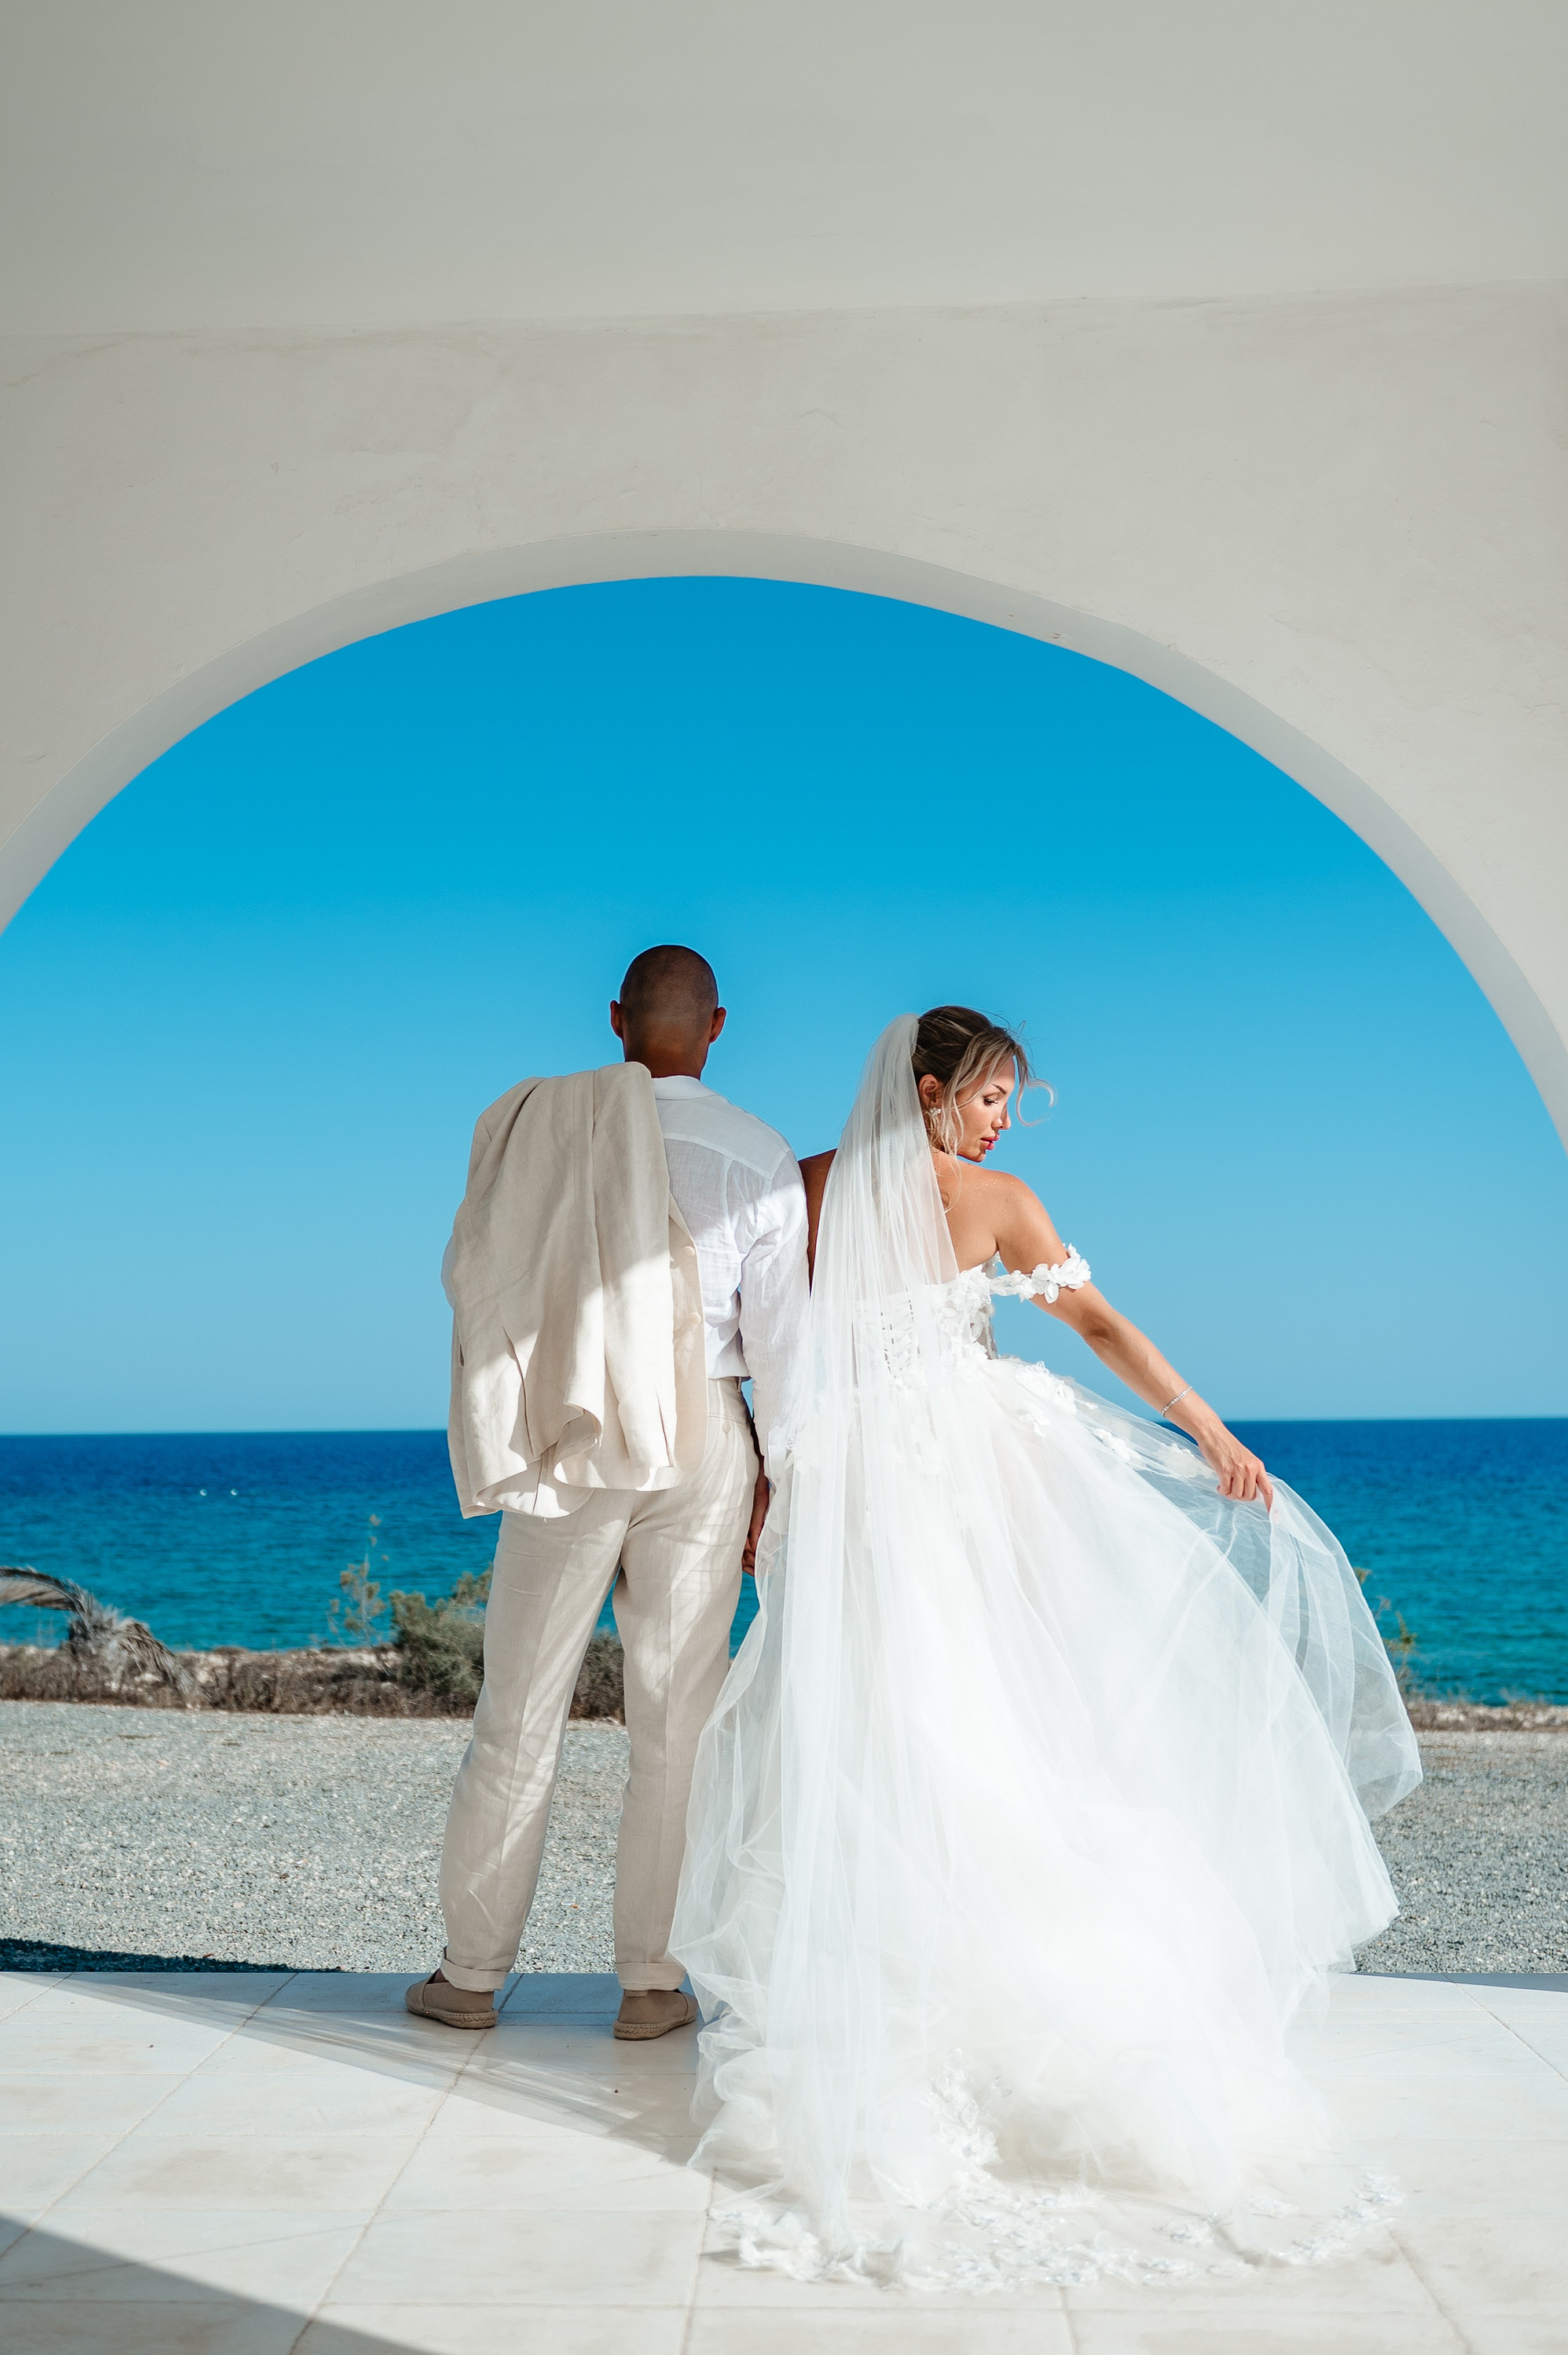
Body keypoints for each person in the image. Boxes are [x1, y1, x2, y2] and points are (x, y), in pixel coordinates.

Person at [673, 1006, 1422, 2285]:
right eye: (985, 1096)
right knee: (984, 1716)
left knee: (895, 1720)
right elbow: (1102, 1328)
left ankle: (916, 2005)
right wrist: (1204, 1428)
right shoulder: (996, 1201)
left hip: (852, 1483)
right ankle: (1000, 2012)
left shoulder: (807, 1186)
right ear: (926, 1090)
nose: (1000, 1118)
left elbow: (758, 1352)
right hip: (954, 1475)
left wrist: (764, 1477)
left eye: (1008, 1101)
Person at [409, 946, 808, 2040]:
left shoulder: (546, 1124)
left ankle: (471, 1977)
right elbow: (780, 1348)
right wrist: (774, 1475)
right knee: (675, 1723)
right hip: (708, 1436)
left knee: (520, 1708)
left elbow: (481, 1264)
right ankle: (652, 1985)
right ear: (716, 1026)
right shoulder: (760, 1155)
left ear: (618, 1022)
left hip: (577, 1424)